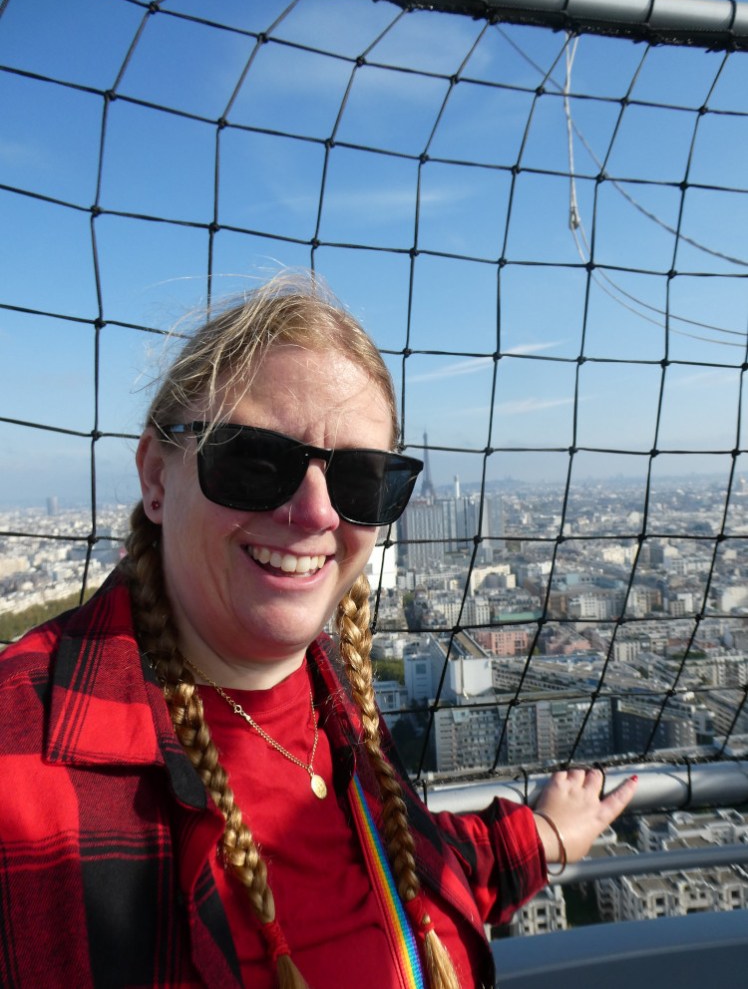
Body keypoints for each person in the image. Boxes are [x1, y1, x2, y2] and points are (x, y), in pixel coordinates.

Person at [0, 273, 636, 989]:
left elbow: (399, 869)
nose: (316, 513)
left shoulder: (334, 702)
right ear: (155, 475)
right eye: (253, 460)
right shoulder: (18, 756)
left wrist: (541, 835)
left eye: (362, 479)